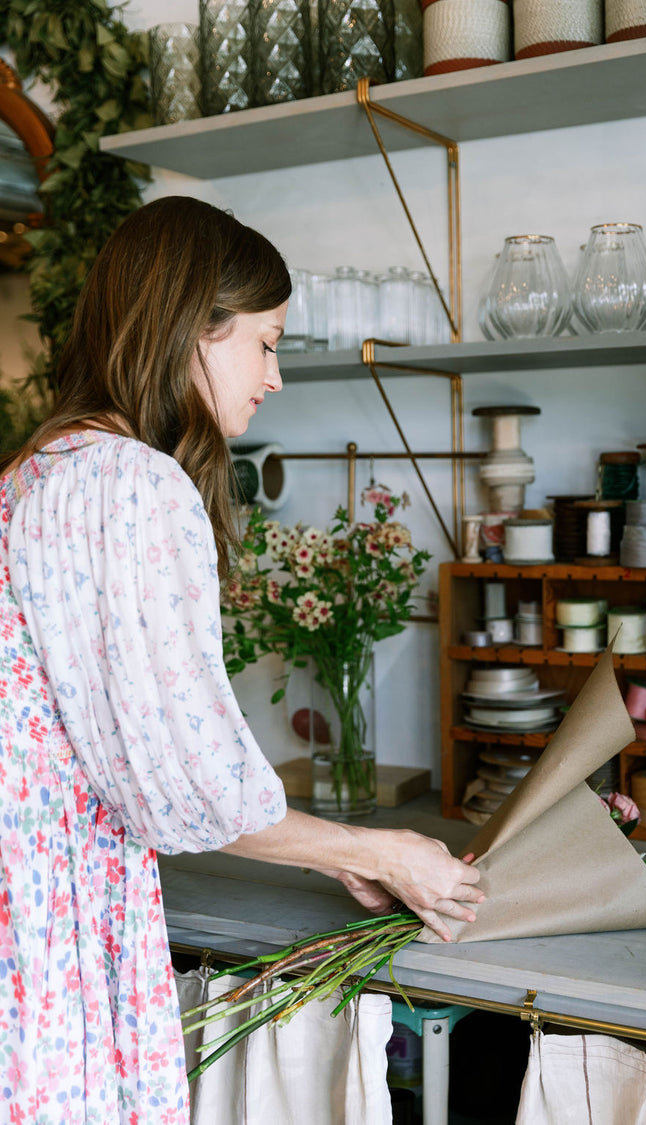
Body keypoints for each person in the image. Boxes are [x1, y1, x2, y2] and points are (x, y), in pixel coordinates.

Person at [0, 195, 483, 1123]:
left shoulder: (36, 472)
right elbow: (186, 788)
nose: (274, 376)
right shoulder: (138, 484)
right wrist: (372, 847)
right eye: (265, 342)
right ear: (192, 328)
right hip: (60, 924)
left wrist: (331, 848)